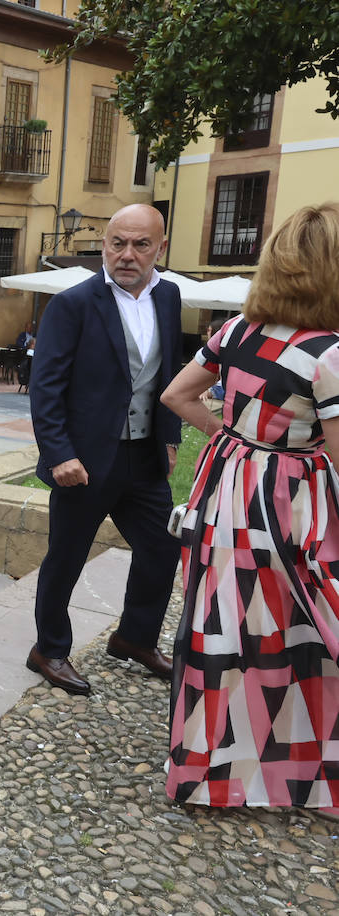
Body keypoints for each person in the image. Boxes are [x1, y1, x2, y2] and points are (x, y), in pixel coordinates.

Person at [159, 203, 339, 813]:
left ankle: (204, 769)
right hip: (289, 502)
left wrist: (234, 437)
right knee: (298, 629)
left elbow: (177, 395)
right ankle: (288, 775)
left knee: (221, 623)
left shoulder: (236, 331)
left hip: (225, 490)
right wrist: (282, 449)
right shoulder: (330, 354)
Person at [26, 203, 183, 695]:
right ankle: (48, 649)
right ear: (104, 245)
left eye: (140, 245)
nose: (127, 254)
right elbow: (45, 386)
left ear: (161, 248)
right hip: (85, 460)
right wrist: (59, 454)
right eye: (118, 243)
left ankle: (134, 638)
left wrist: (171, 434)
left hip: (144, 456)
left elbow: (171, 372)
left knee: (163, 546)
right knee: (66, 558)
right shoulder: (73, 303)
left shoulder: (170, 296)